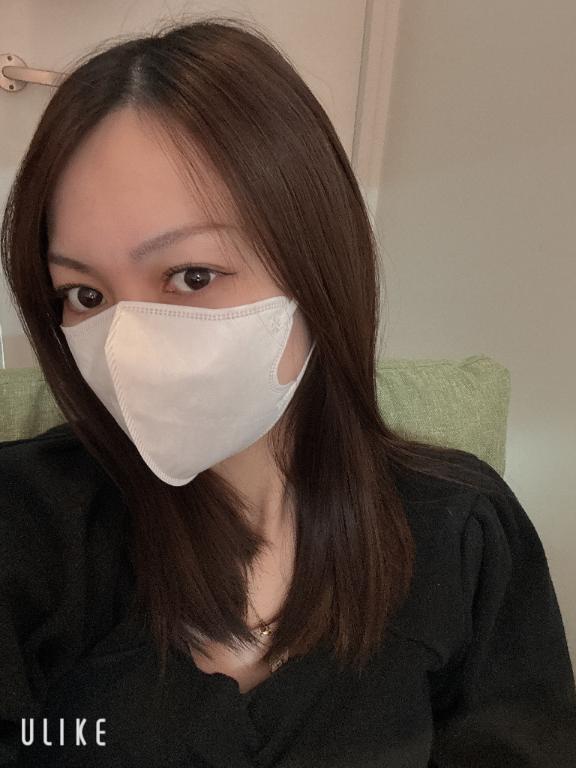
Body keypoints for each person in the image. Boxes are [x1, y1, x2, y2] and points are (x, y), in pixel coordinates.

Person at [1, 16, 575, 768]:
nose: (125, 347)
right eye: (85, 295)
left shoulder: (460, 533)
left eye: (191, 276)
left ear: (315, 268)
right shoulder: (24, 525)